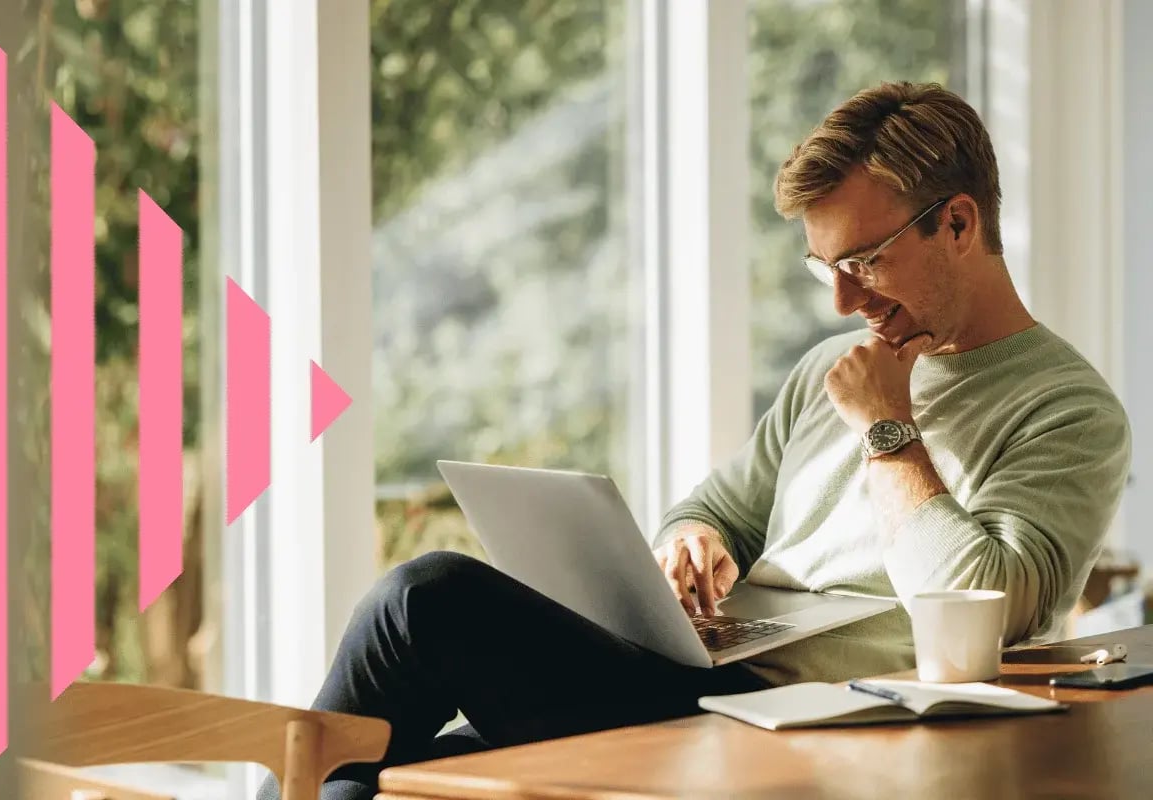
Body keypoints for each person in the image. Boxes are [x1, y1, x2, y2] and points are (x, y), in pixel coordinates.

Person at [257, 82, 1131, 800]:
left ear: (959, 224)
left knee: (426, 599)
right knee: (378, 776)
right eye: (825, 269)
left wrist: (888, 430)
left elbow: (987, 601)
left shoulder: (1068, 410)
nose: (841, 303)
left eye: (863, 262)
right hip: (700, 678)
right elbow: (716, 508)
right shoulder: (833, 366)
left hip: (818, 716)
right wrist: (691, 542)